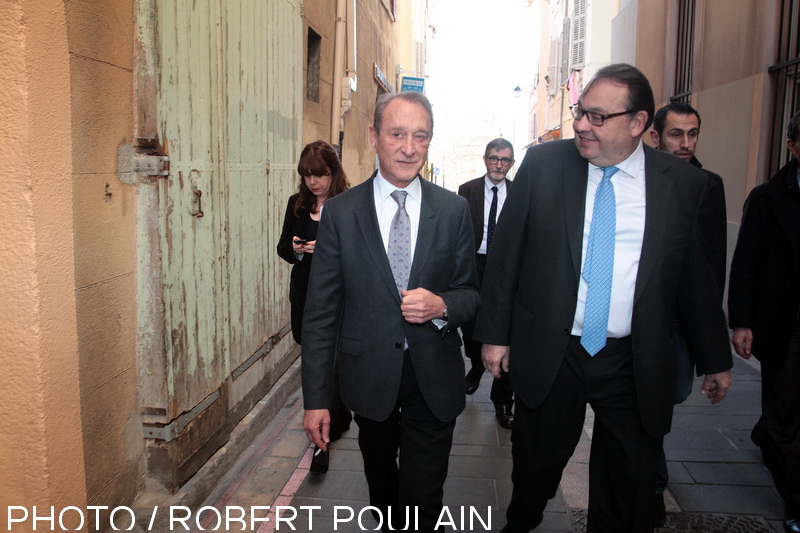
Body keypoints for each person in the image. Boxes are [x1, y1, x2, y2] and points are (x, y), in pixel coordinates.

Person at [475, 64, 733, 533]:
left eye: (597, 117)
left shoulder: (683, 186)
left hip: (632, 360)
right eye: (580, 112)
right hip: (556, 351)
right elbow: (506, 255)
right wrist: (494, 335)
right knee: (534, 469)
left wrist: (716, 358)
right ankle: (522, 520)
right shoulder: (544, 166)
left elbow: (696, 281)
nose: (580, 124)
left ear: (637, 124)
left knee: (626, 484)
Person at [300, 91, 480, 533]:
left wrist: (442, 305)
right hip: (369, 380)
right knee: (382, 488)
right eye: (397, 133)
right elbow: (321, 313)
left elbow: (471, 293)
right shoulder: (341, 214)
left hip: (433, 378)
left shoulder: (454, 210)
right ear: (374, 136)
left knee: (421, 499)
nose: (408, 146)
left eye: (420, 136)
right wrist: (316, 400)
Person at [649, 101, 727, 525]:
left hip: (680, 320)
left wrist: (713, 349)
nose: (684, 143)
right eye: (676, 134)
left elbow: (712, 266)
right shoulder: (637, 181)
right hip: (642, 316)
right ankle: (652, 485)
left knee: (670, 394)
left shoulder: (707, 185)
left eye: (692, 134)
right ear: (654, 135)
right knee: (647, 399)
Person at [728, 110, 800, 533]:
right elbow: (747, 264)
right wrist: (741, 321)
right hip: (785, 325)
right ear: (792, 145)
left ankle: (766, 434)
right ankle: (795, 500)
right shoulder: (768, 198)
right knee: (784, 415)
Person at [276, 140, 352, 474]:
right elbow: (282, 248)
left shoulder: (348, 206)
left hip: (339, 297)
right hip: (305, 294)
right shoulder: (297, 205)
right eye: (307, 176)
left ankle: (323, 441)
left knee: (329, 366)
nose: (313, 182)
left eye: (319, 175)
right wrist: (296, 249)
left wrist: (326, 249)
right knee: (314, 362)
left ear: (333, 172)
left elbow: (360, 258)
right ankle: (339, 414)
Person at [458, 138, 516, 429]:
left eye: (505, 160)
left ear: (511, 163)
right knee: (470, 327)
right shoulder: (467, 190)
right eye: (494, 158)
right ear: (485, 160)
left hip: (506, 269)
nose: (498, 165)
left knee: (506, 333)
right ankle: (477, 362)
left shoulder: (520, 192)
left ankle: (503, 401)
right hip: (475, 266)